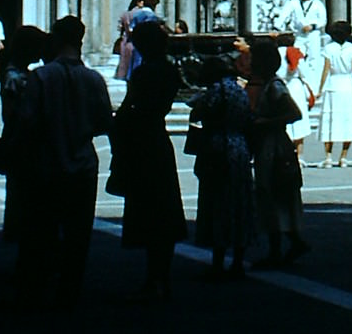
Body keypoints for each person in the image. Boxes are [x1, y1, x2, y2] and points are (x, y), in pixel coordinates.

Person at [16, 15, 113, 308]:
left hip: (46, 164)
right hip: (82, 164)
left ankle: (39, 286)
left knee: (43, 229)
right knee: (78, 233)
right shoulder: (93, 79)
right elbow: (103, 122)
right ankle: (70, 289)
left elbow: (27, 121)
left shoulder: (41, 78)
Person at [111, 17, 186, 301]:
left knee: (150, 208)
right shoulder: (169, 70)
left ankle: (154, 275)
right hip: (158, 138)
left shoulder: (145, 73)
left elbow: (132, 104)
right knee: (163, 210)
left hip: (143, 141)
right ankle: (160, 275)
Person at [191, 55, 255, 281]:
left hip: (216, 147)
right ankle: (238, 259)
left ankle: (218, 259)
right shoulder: (239, 90)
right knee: (239, 203)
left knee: (217, 203)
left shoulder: (212, 93)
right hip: (238, 148)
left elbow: (199, 114)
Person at [0, 24, 48, 302]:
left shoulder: (16, 74)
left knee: (24, 201)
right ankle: (29, 264)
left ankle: (27, 261)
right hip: (24, 144)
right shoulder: (18, 78)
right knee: (29, 202)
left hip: (18, 141)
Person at [249, 39, 309, 269]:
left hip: (275, 146)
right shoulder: (266, 84)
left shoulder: (275, 86)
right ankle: (288, 244)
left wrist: (266, 122)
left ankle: (280, 248)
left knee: (273, 193)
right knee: (271, 194)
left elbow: (294, 113)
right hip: (269, 144)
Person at [315, 19, 352, 168]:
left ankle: (328, 157)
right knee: (348, 121)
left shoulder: (329, 49)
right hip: (348, 86)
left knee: (330, 121)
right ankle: (343, 157)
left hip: (333, 85)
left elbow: (325, 71)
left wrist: (320, 89)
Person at [278, 0, 327, 90]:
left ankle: (314, 86)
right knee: (297, 56)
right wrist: (278, 27)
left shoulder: (318, 4)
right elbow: (284, 14)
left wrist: (313, 26)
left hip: (313, 34)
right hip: (299, 34)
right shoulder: (294, 3)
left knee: (314, 59)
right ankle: (298, 81)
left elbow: (323, 20)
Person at [283, 45, 314, 162]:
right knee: (299, 122)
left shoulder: (276, 53)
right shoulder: (295, 53)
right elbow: (304, 72)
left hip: (281, 85)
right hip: (295, 87)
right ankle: (299, 155)